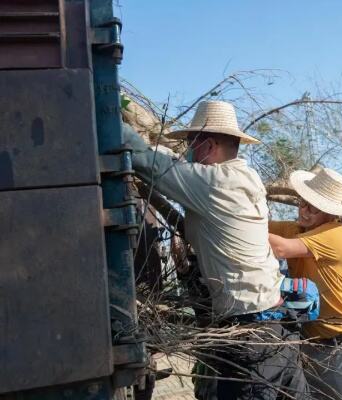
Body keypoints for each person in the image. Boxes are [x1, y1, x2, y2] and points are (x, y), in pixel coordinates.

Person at [122, 100, 309, 399]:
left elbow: (146, 159)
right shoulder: (246, 177)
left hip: (250, 337)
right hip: (278, 328)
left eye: (191, 144)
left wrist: (106, 110)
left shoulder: (213, 183)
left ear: (208, 146)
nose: (188, 152)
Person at [268, 167, 342, 400]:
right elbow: (261, 226)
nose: (304, 211)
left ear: (329, 211)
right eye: (302, 203)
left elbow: (280, 248)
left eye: (313, 207)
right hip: (312, 344)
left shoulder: (337, 232)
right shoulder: (296, 228)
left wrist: (238, 231)